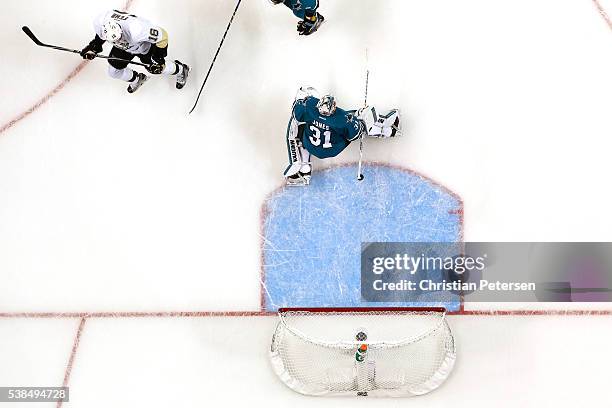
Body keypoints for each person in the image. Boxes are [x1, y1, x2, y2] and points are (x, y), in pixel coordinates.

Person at [284, 87, 401, 185]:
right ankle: (389, 130)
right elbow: (354, 136)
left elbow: (297, 112)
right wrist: (360, 120)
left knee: (299, 127)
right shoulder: (343, 118)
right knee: (361, 121)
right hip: (332, 149)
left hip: (310, 145)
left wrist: (302, 99)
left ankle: (304, 168)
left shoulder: (309, 108)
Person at [80, 9, 190, 93]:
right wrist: (94, 46)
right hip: (123, 49)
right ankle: (138, 78)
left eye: (119, 38)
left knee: (157, 69)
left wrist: (158, 58)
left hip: (144, 48)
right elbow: (100, 36)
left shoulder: (137, 30)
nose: (119, 40)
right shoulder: (101, 22)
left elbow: (163, 36)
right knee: (113, 72)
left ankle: (181, 69)